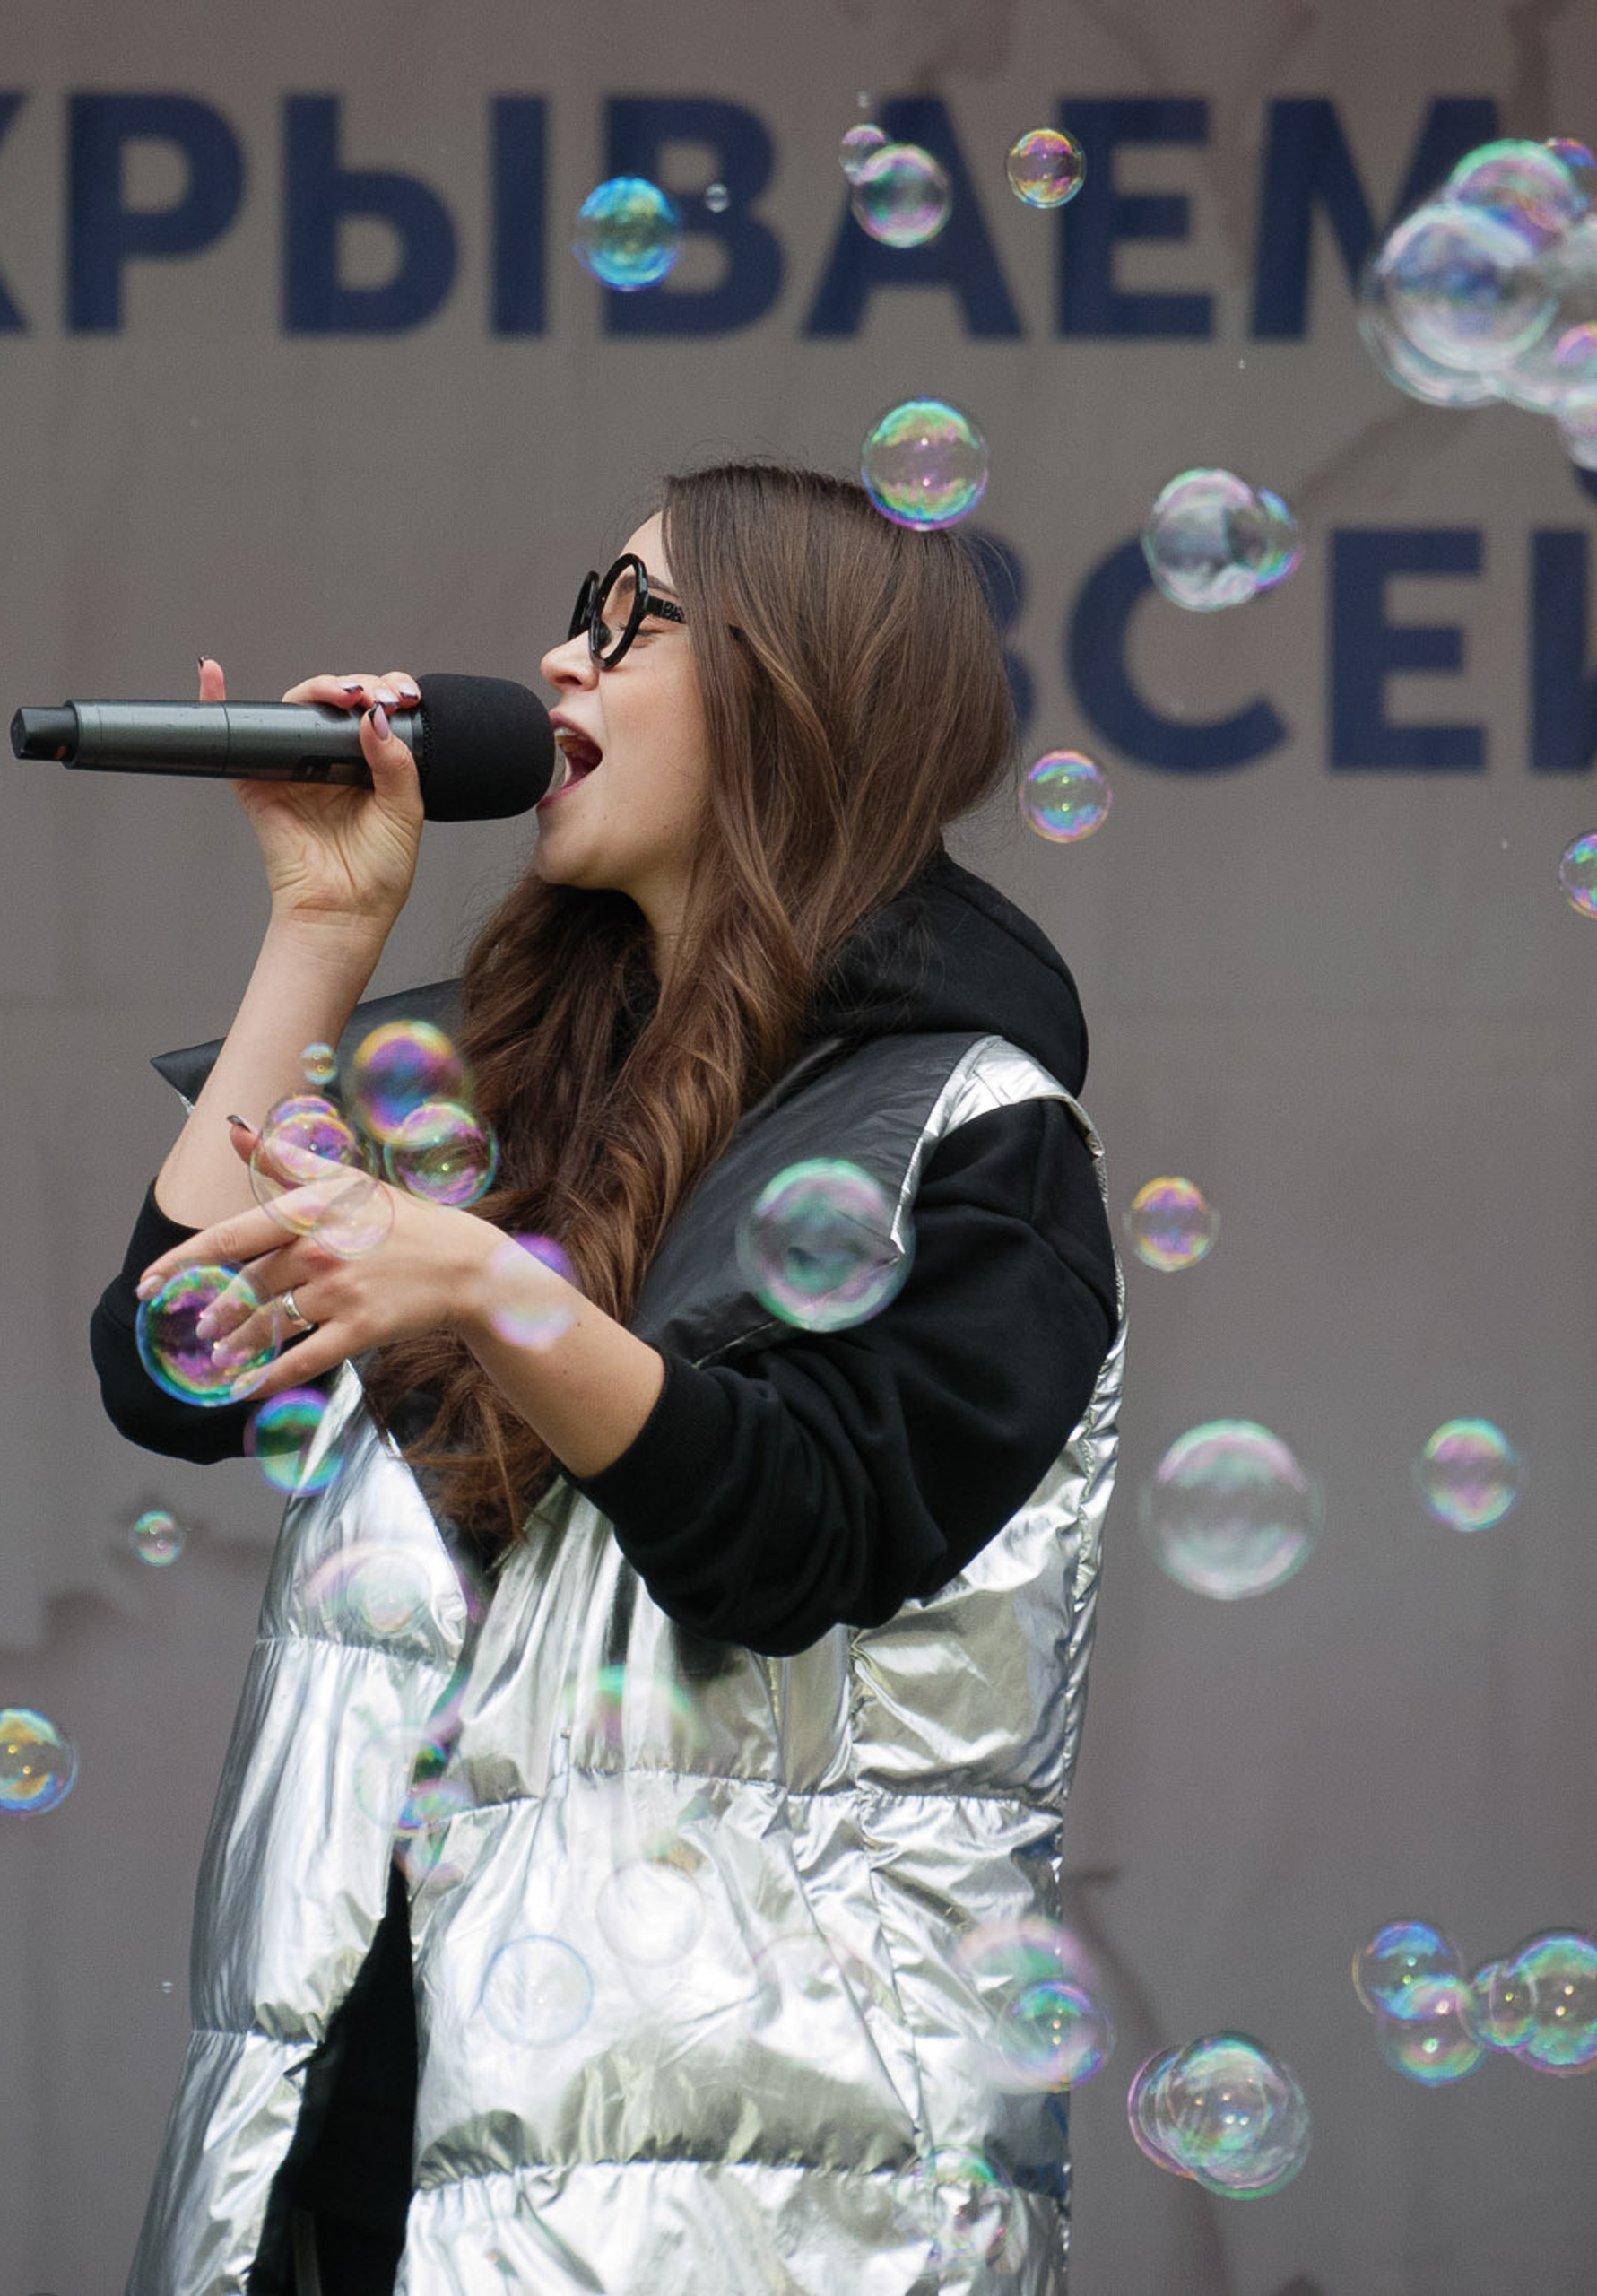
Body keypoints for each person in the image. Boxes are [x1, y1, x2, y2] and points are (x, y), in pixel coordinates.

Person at [90, 460, 1124, 2296]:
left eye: (631, 622)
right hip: (358, 2121)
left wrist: (496, 1294)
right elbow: (171, 1366)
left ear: (795, 695)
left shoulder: (969, 1131)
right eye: (582, 609)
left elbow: (790, 1534)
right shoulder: (488, 1087)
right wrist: (322, 928)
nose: (561, 659)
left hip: (735, 2190)